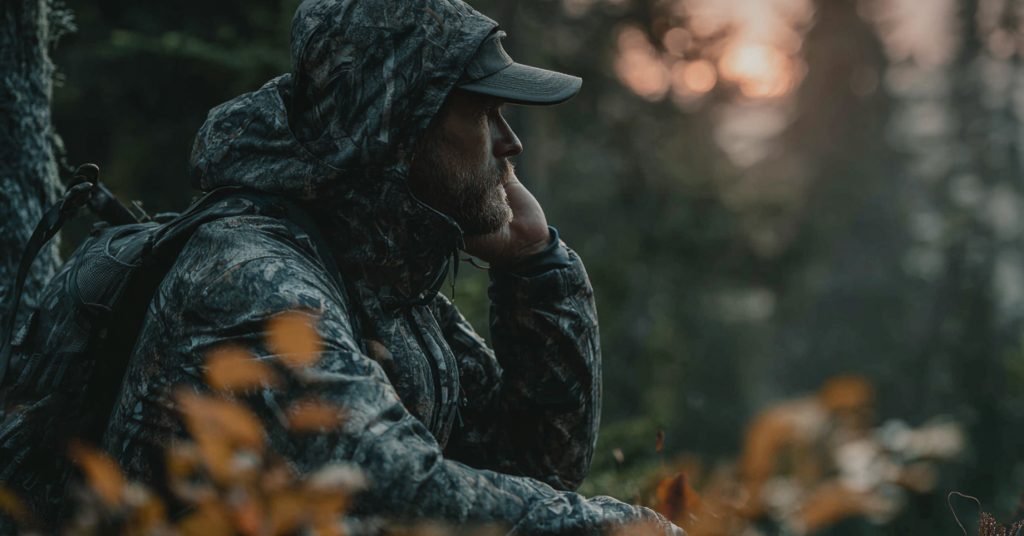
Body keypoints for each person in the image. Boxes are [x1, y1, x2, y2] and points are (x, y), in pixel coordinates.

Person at [101, 0, 683, 534]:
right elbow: (394, 487)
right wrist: (620, 527)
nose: (510, 143)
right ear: (400, 127)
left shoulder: (380, 275)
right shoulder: (249, 276)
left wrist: (535, 265)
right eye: (484, 114)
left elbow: (536, 465)